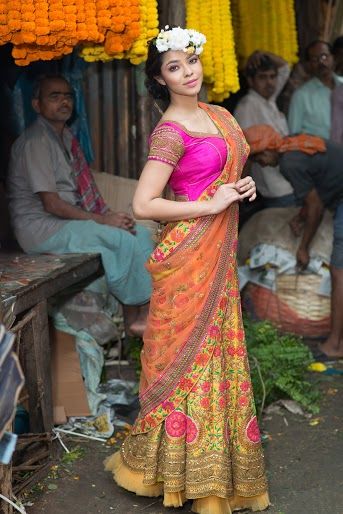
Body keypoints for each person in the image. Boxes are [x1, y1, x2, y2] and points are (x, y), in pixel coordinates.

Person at [105, 26, 269, 514]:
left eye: (190, 60)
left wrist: (241, 187)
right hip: (189, 256)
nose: (188, 71)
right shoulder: (170, 132)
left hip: (219, 253)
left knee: (219, 356)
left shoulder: (219, 115)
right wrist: (209, 204)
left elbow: (222, 175)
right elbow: (143, 203)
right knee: (186, 362)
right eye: (174, 67)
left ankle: (216, 471)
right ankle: (174, 472)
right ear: (161, 79)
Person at [7, 75, 153, 336]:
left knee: (141, 233)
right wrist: (102, 220)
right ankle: (136, 315)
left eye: (68, 96)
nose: (64, 101)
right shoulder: (36, 141)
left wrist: (105, 216)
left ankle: (142, 312)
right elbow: (51, 204)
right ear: (36, 105)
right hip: (42, 229)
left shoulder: (64, 138)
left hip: (66, 223)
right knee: (120, 239)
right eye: (54, 96)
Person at [244, 124, 343, 360]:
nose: (263, 166)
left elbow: (316, 207)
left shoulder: (290, 164)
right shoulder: (292, 144)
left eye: (259, 160)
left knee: (339, 272)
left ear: (267, 151)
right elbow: (320, 189)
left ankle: (336, 345)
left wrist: (303, 248)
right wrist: (302, 217)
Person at [234, 50, 295, 207]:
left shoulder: (269, 99)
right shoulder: (247, 106)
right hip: (275, 188)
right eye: (262, 77)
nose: (269, 83)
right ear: (251, 80)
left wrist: (261, 53)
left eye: (272, 77)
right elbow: (243, 151)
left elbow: (284, 68)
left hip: (291, 181)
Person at [288, 40, 343, 139]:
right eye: (314, 59)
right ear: (309, 65)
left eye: (324, 56)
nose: (321, 62)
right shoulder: (301, 95)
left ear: (333, 58)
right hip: (318, 152)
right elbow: (293, 135)